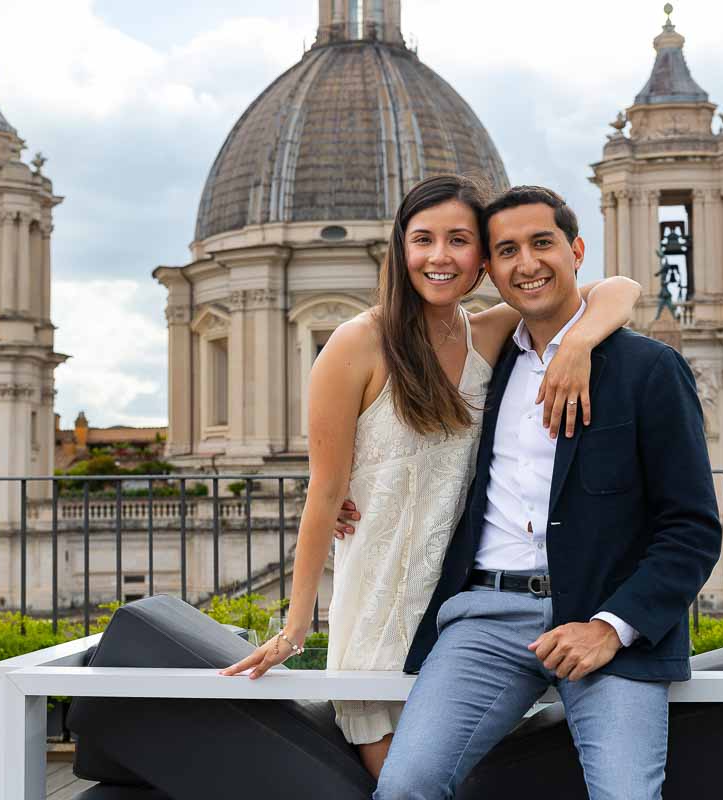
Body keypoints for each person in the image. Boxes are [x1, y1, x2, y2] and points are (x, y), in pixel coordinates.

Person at [221, 175, 641, 779]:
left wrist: (579, 344)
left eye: (459, 240)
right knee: (403, 777)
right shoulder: (355, 343)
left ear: (483, 260)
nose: (439, 257)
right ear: (401, 248)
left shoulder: (490, 333)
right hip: (381, 603)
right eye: (423, 239)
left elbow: (618, 288)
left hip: (465, 612)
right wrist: (294, 627)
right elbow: (323, 492)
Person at [372, 186, 723, 800]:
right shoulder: (482, 369)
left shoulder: (649, 369)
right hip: (484, 619)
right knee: (405, 788)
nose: (527, 263)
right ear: (490, 269)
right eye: (507, 250)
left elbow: (691, 528)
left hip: (602, 622)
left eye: (542, 243)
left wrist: (612, 628)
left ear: (577, 250)